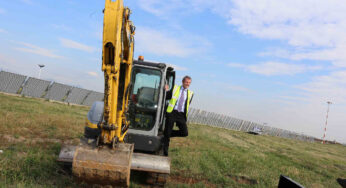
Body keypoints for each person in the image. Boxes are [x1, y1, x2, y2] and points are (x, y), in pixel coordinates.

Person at [163, 75, 194, 156]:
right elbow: (167, 97)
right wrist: (166, 90)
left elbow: (187, 104)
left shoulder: (191, 93)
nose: (188, 84)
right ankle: (165, 153)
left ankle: (167, 133)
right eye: (187, 82)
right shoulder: (175, 88)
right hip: (172, 112)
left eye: (189, 83)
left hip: (181, 114)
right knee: (167, 135)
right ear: (183, 82)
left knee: (185, 132)